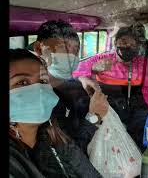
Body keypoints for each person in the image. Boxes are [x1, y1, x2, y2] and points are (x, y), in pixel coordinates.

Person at [9, 49, 103, 178]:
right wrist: (95, 116)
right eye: (22, 82)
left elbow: (80, 162)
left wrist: (95, 116)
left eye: (43, 81)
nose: (39, 91)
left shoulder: (51, 133)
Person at [73, 25, 148, 151]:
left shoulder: (143, 63)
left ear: (138, 46)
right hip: (109, 108)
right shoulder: (102, 59)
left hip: (134, 109)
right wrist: (91, 69)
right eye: (124, 42)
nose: (128, 47)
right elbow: (75, 69)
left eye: (133, 44)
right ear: (116, 42)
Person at [33, 20, 109, 154]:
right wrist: (95, 116)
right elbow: (70, 158)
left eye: (76, 49)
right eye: (63, 47)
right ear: (39, 49)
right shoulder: (37, 102)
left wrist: (81, 78)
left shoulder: (57, 85)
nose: (71, 56)